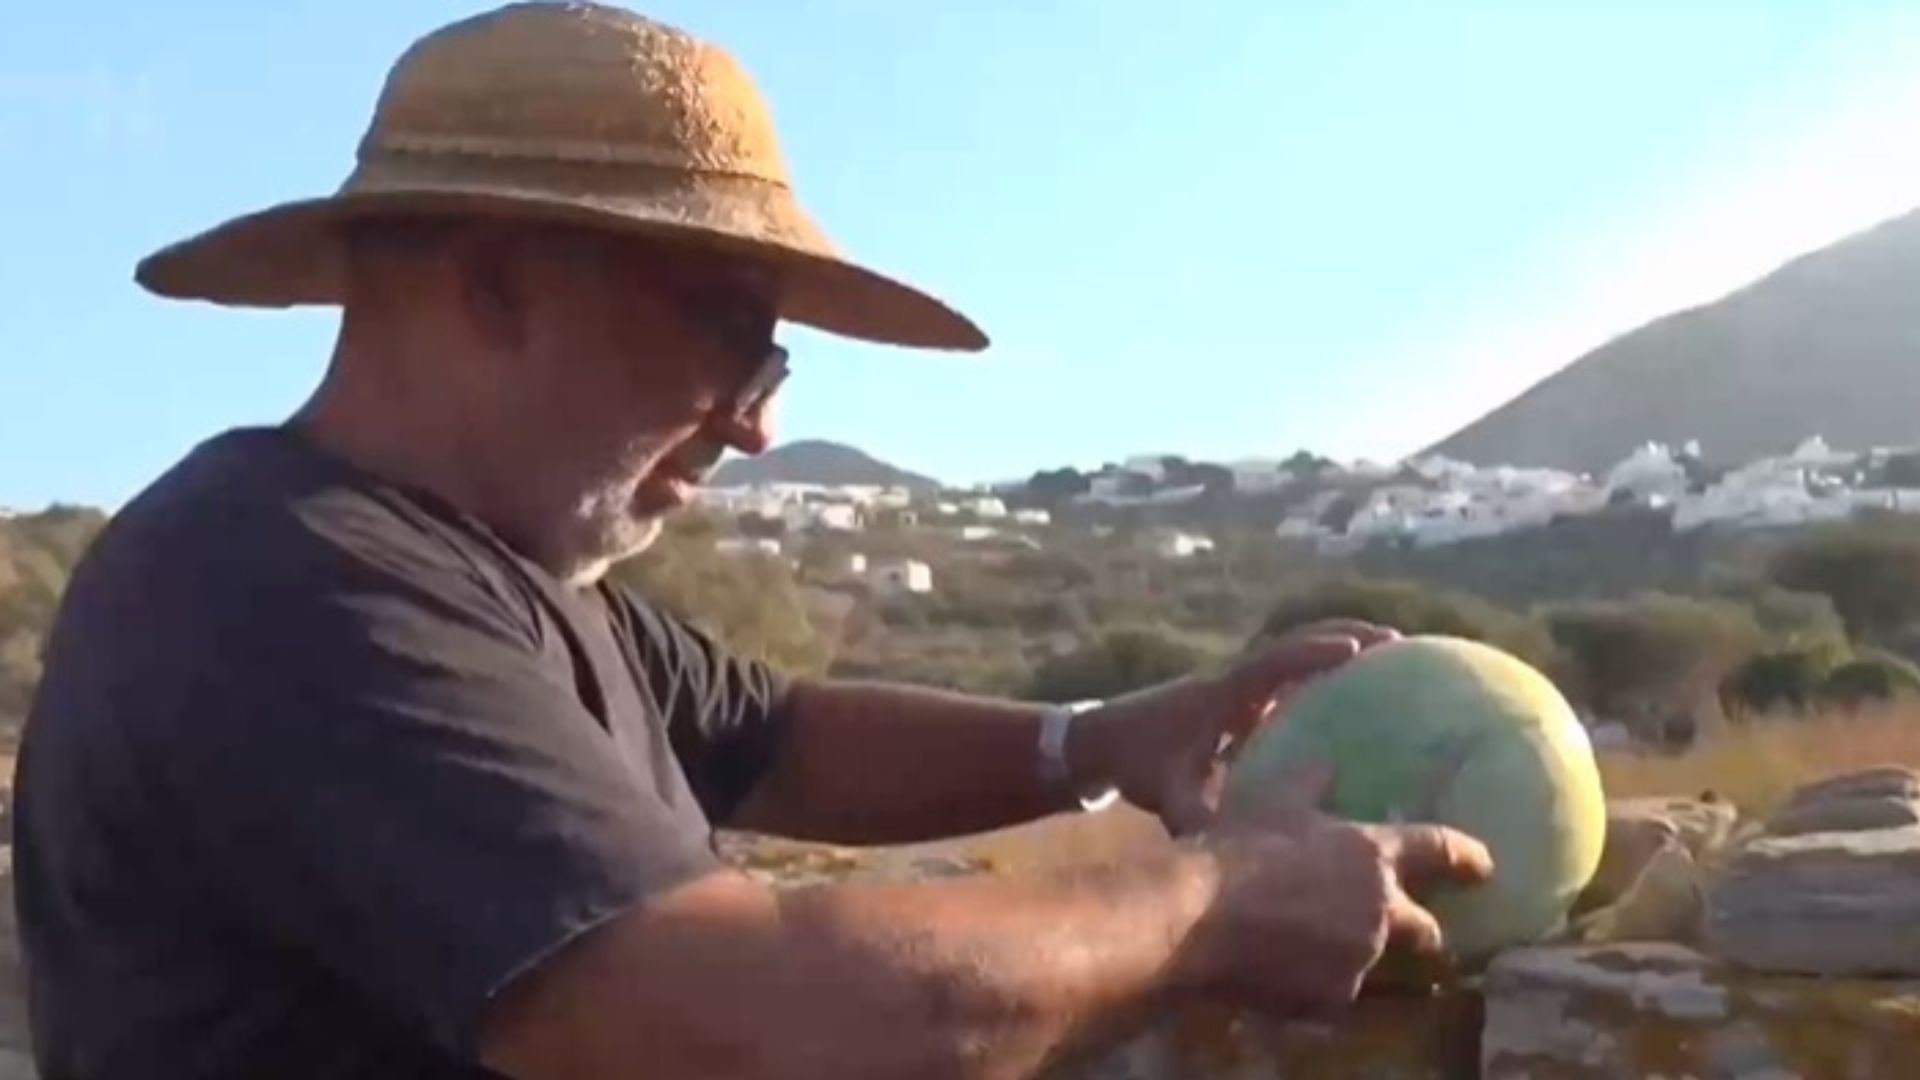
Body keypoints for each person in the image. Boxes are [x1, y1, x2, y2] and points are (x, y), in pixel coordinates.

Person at [11, 4, 1494, 1079]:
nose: (758, 424)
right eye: (733, 339)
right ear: (499, 283)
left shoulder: (491, 571)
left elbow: (776, 736)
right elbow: (731, 1026)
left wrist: (1112, 736)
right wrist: (1214, 903)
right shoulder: (284, 589)